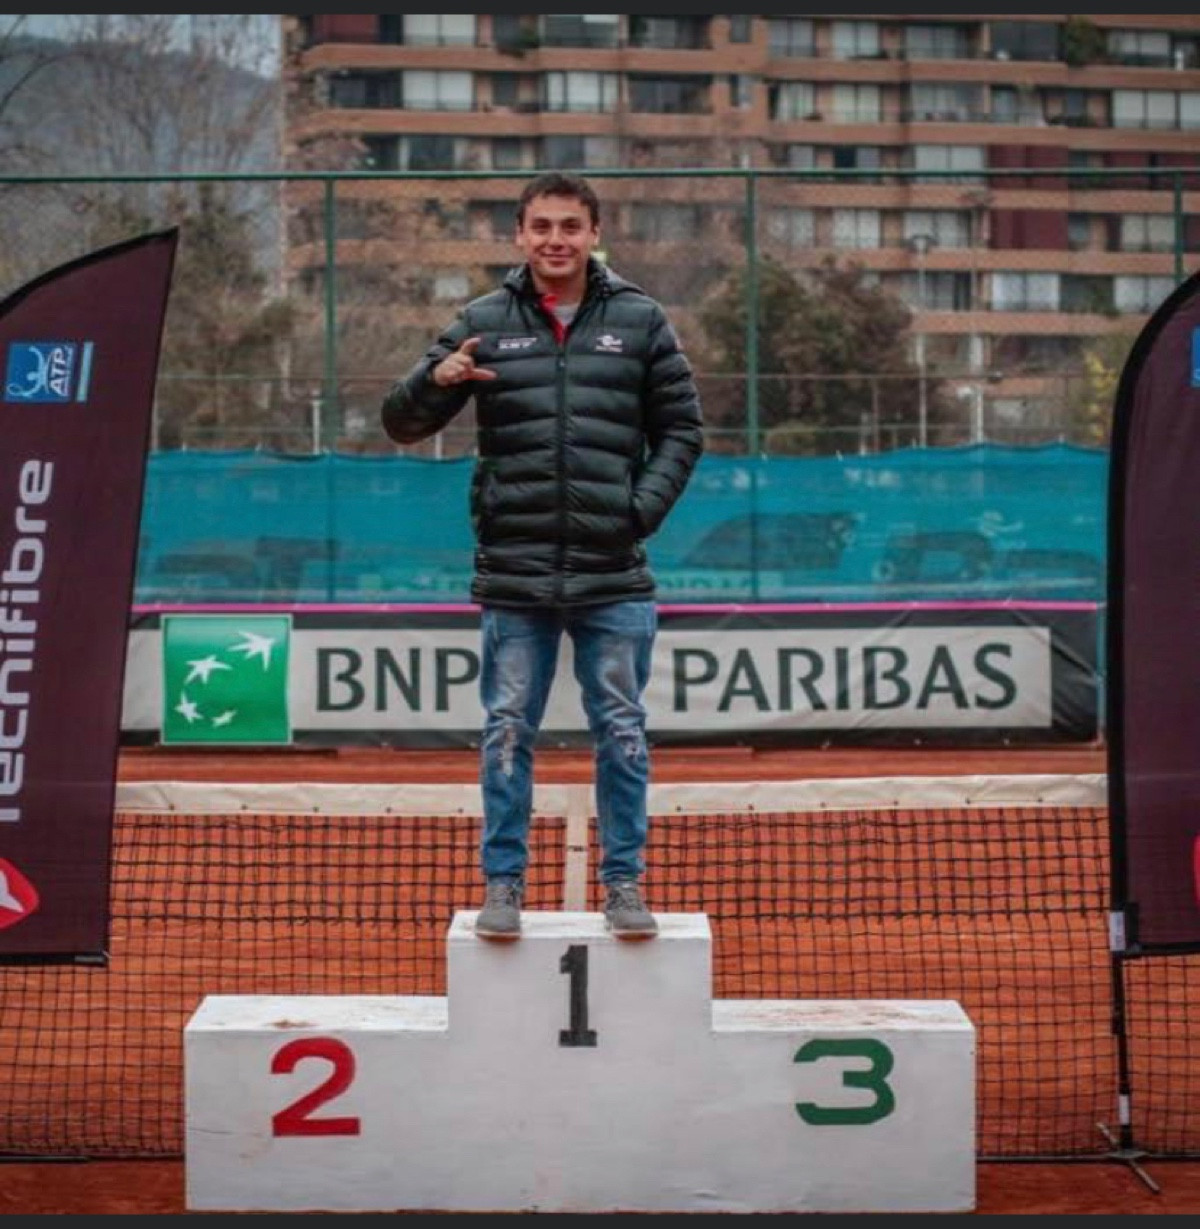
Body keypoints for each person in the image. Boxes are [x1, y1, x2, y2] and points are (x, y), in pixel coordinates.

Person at [381, 172, 703, 941]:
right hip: (514, 572)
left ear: (595, 234)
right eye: (542, 226)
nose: (556, 239)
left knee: (621, 727)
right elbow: (401, 422)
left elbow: (682, 431)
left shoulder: (642, 320)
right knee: (505, 729)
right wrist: (434, 379)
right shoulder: (481, 321)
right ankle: (503, 884)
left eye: (570, 226)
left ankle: (623, 882)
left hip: (614, 573)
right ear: (520, 235)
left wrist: (635, 513)